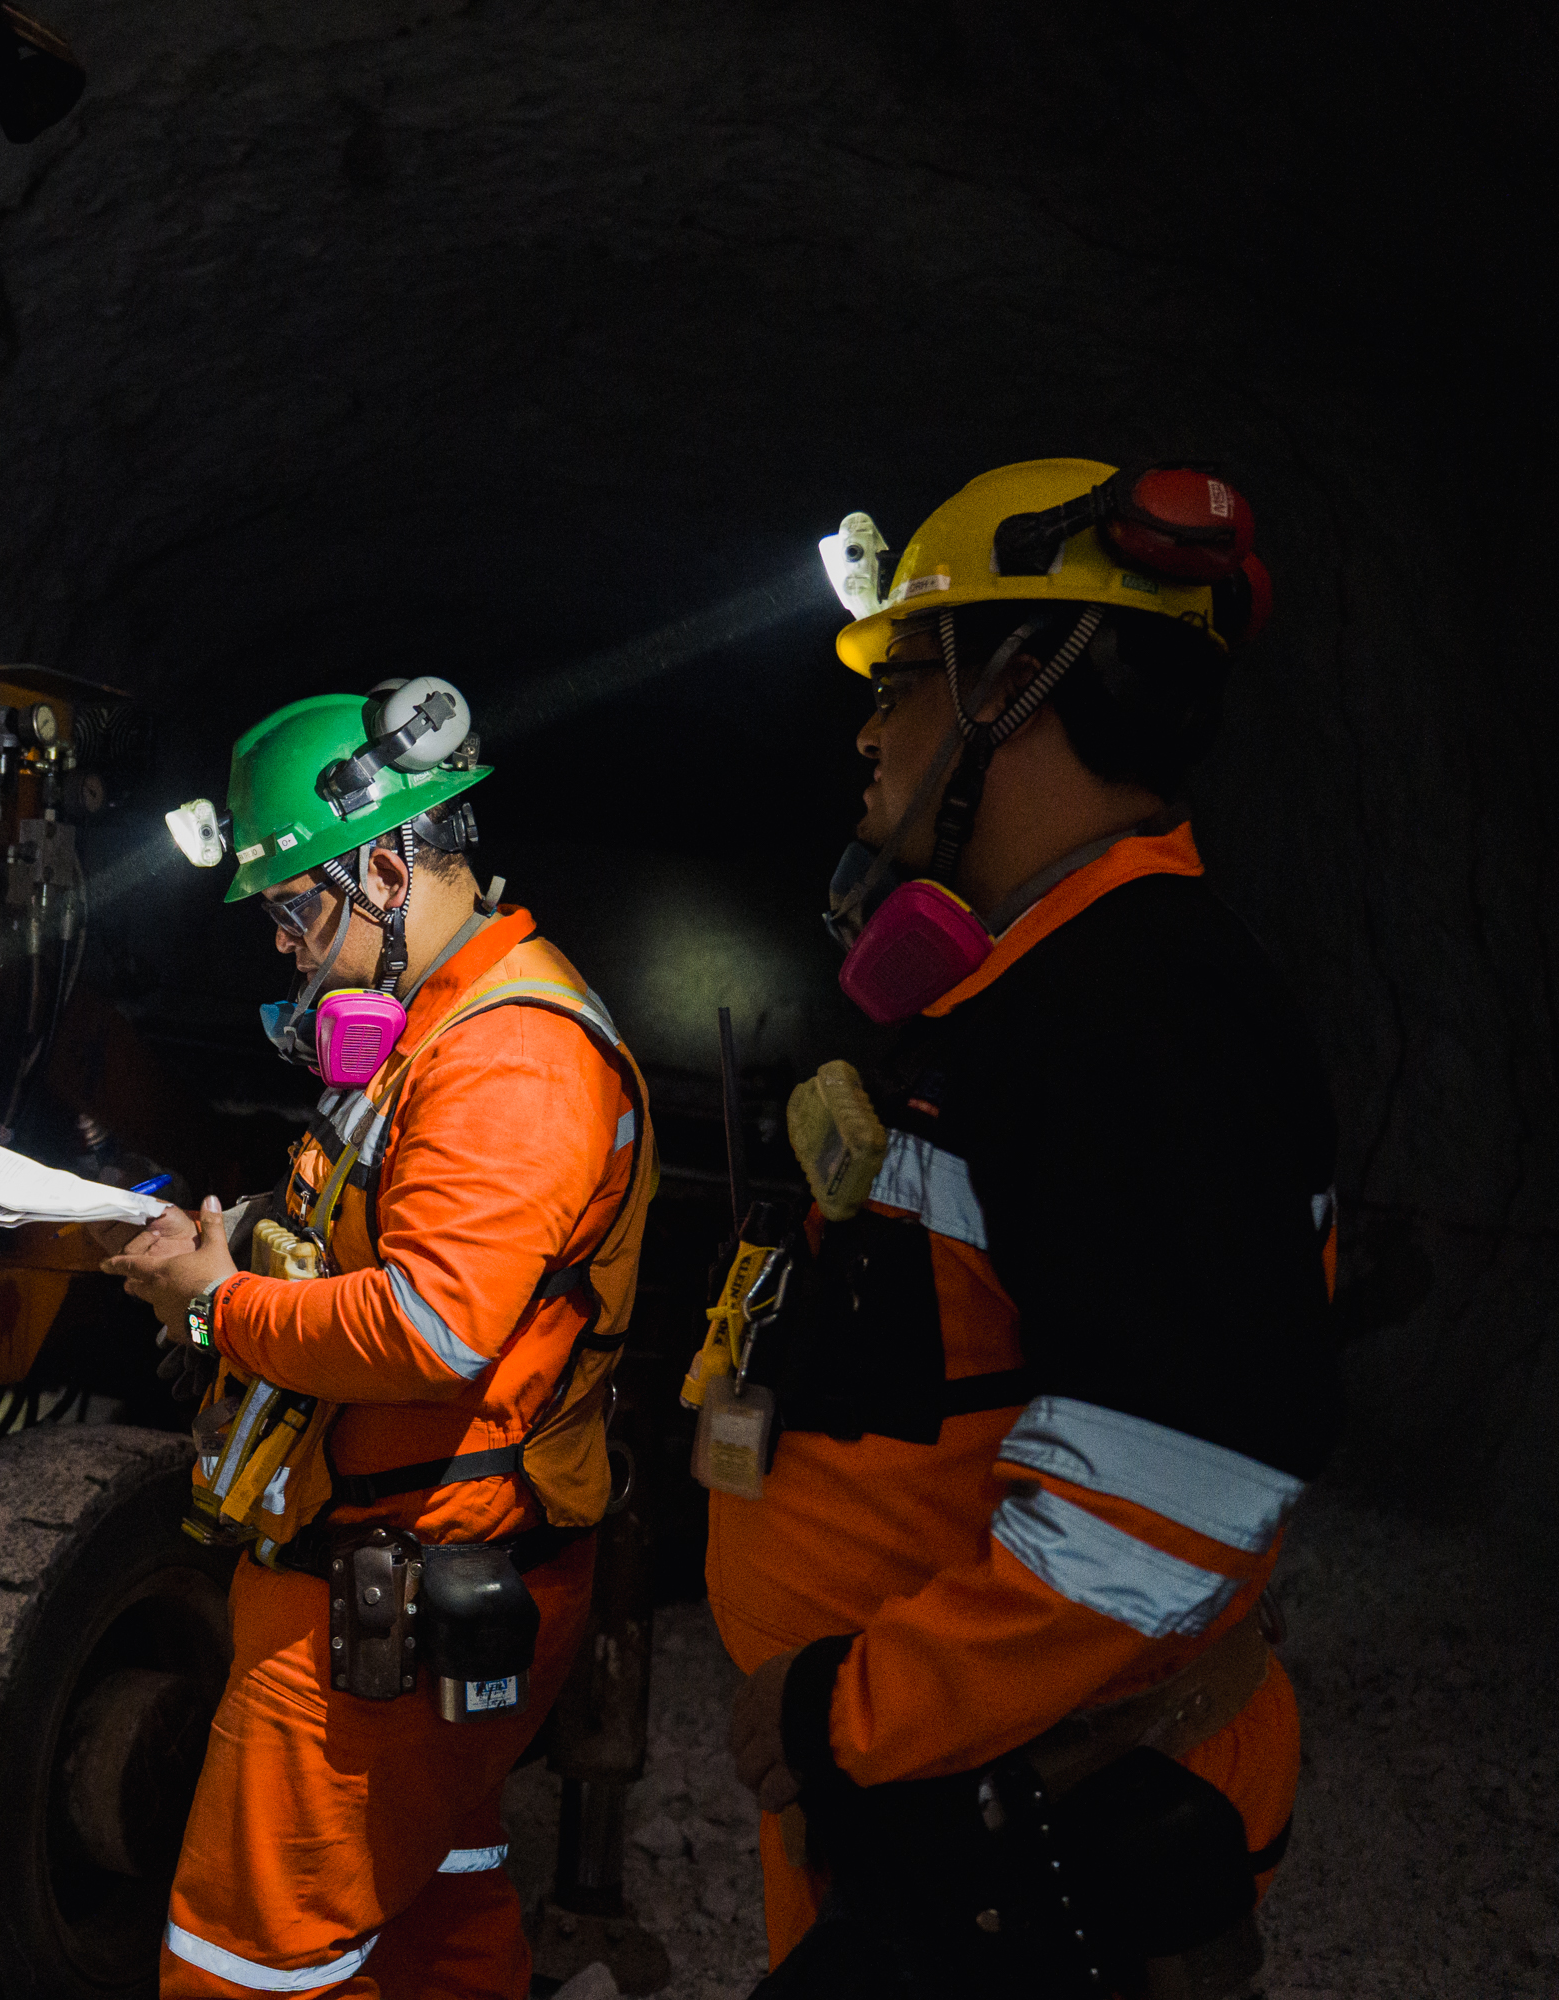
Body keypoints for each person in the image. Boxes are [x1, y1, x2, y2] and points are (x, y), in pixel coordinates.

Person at [710, 460, 1336, 1997]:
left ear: (1016, 688)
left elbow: (1166, 1496)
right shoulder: (1041, 994)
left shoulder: (1144, 1014)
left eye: (901, 682)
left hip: (1037, 1851)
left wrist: (848, 1711)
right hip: (946, 1822)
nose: (869, 730)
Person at [107, 679, 655, 1999]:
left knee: (247, 1964)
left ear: (389, 870)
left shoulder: (509, 1059)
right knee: (434, 1924)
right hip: (406, 1578)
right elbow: (382, 1245)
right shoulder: (443, 1031)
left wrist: (217, 1304)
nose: (284, 949)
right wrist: (248, 1241)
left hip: (394, 1601)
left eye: (298, 911)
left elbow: (429, 1325)